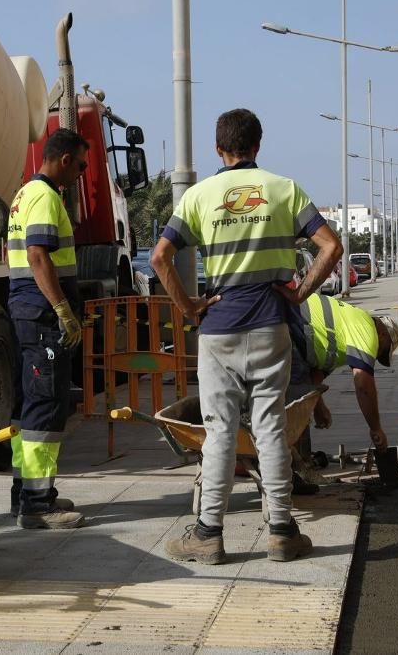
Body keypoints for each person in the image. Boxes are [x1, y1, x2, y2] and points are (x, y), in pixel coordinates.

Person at [151, 108, 342, 564]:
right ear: (258, 145)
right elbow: (330, 246)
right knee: (271, 427)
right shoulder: (284, 190)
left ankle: (208, 534)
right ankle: (281, 531)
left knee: (218, 431)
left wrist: (191, 307)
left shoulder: (199, 196)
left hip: (218, 329)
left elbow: (159, 258)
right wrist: (299, 293)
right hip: (270, 325)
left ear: (219, 149)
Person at [6, 128, 90, 529]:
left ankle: (27, 491)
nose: (82, 173)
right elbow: (38, 256)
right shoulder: (43, 196)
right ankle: (38, 505)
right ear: (63, 160)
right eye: (81, 164)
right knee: (46, 405)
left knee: (29, 404)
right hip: (42, 316)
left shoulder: (25, 194)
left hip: (29, 312)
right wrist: (63, 309)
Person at [291, 294, 398, 453]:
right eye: (382, 351)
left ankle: (296, 462)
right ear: (382, 335)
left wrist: (318, 407)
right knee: (294, 412)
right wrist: (376, 429)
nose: (376, 356)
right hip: (291, 327)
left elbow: (314, 376)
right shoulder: (367, 330)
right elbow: (364, 386)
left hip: (296, 332)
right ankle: (290, 468)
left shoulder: (344, 337)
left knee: (297, 409)